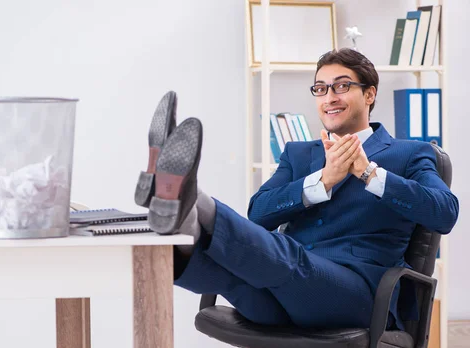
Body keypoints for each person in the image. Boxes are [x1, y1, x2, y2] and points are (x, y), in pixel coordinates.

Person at [134, 48, 459, 330]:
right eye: (320, 88)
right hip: (287, 293)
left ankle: (191, 200)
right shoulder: (299, 153)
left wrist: (368, 173)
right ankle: (186, 220)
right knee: (226, 275)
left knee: (288, 254)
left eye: (342, 86)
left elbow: (444, 213)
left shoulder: (409, 153)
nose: (329, 97)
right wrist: (322, 181)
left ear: (370, 94)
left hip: (356, 295)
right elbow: (257, 213)